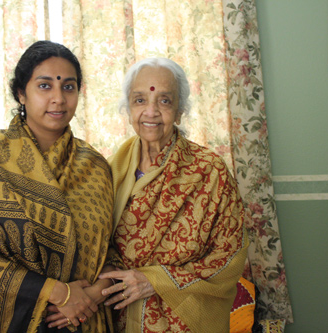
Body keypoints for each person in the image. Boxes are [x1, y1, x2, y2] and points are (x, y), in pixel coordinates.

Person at [0, 40, 115, 333]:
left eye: (68, 87)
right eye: (44, 86)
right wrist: (57, 292)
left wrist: (89, 297)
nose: (58, 98)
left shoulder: (96, 166)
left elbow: (113, 248)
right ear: (21, 93)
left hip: (85, 319)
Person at [98, 58, 249, 332]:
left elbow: (230, 256)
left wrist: (155, 280)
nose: (151, 111)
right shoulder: (111, 170)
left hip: (182, 320)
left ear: (179, 111)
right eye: (140, 100)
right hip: (119, 313)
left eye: (164, 101)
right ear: (129, 108)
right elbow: (94, 242)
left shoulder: (209, 171)